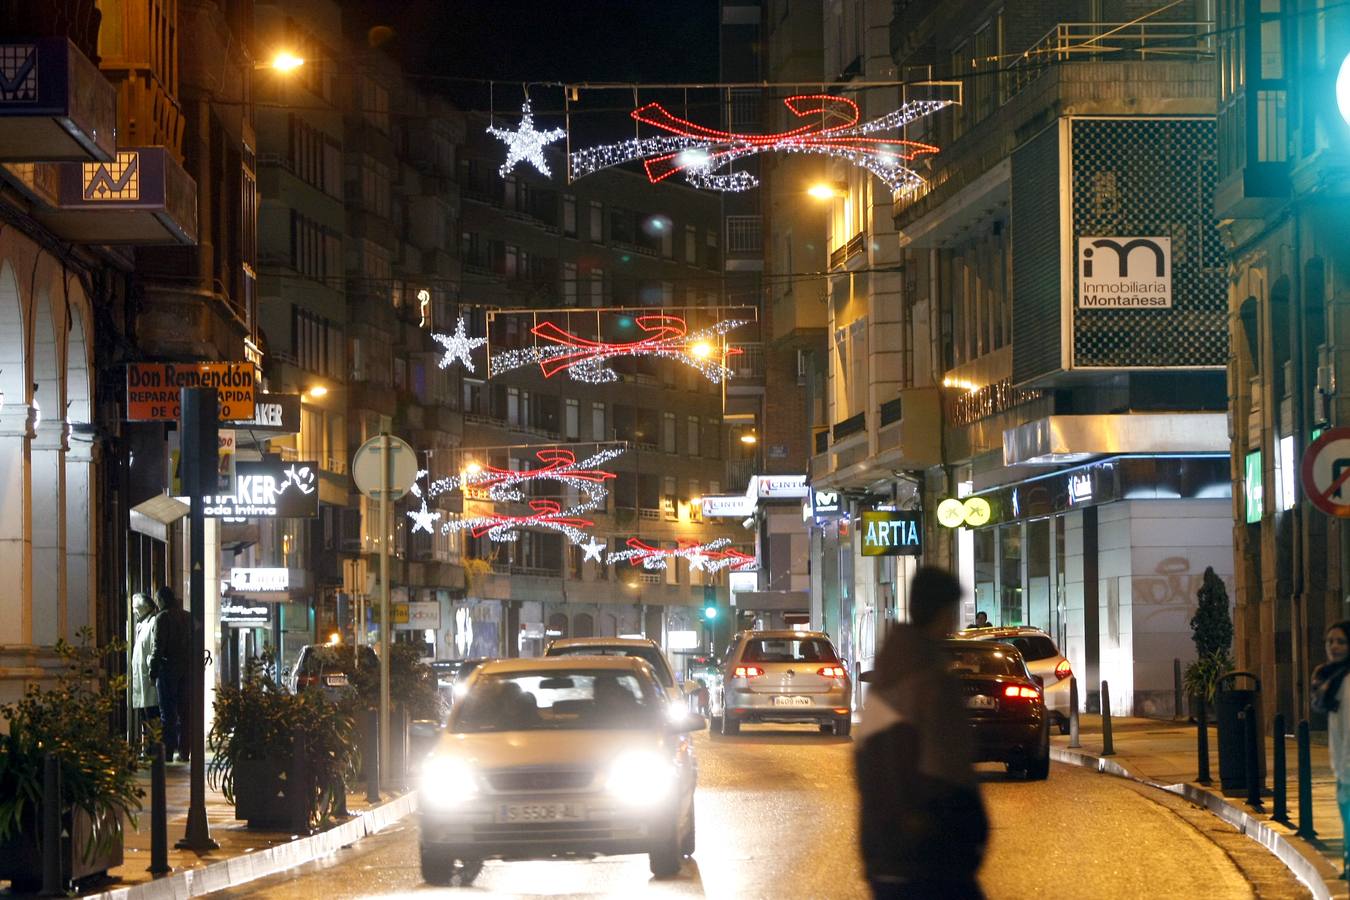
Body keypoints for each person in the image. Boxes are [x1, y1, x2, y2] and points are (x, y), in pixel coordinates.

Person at [856, 566, 988, 899]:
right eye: (952, 612)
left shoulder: (888, 675)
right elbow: (948, 768)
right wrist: (972, 829)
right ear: (943, 613)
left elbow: (864, 763)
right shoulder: (931, 680)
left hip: (885, 850)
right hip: (930, 853)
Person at [1313, 620, 1350, 879]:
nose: (1334, 647)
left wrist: (1345, 773)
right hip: (1342, 768)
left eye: (1341, 641)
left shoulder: (1346, 681)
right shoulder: (1332, 678)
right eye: (1330, 641)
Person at [149, 585, 192, 762]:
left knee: (167, 712)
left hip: (168, 669)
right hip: (187, 669)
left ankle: (167, 751)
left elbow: (158, 646)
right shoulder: (188, 617)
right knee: (185, 711)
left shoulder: (162, 618)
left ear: (162, 600)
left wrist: (153, 670)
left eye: (157, 600)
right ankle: (184, 750)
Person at [129, 592, 159, 752]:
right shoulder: (141, 625)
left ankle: (154, 749)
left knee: (151, 714)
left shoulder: (153, 623)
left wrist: (152, 670)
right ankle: (149, 747)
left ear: (145, 608)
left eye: (136, 608)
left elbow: (154, 649)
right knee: (144, 714)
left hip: (148, 679)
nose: (134, 612)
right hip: (142, 678)